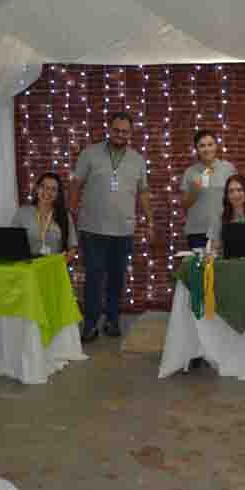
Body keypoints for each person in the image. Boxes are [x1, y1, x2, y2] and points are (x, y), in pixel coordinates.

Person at [70, 111, 154, 342]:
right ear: (109, 129)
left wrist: (150, 220)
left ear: (131, 133)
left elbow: (143, 192)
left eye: (125, 131)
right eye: (116, 130)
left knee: (117, 279)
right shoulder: (89, 153)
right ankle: (90, 324)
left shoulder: (138, 160)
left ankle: (112, 321)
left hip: (123, 230)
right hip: (92, 229)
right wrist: (71, 215)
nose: (120, 134)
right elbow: (75, 184)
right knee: (93, 278)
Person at [180, 129, 236, 251]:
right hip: (197, 232)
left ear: (216, 146)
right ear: (196, 149)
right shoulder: (190, 172)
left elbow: (235, 197)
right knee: (201, 264)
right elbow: (184, 205)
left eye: (210, 144)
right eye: (202, 146)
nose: (207, 149)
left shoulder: (228, 168)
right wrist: (195, 191)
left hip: (223, 229)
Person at [11, 172, 78, 259]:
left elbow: (72, 247)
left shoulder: (65, 215)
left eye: (53, 189)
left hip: (53, 264)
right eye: (44, 187)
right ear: (37, 189)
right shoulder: (22, 213)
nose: (48, 192)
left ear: (58, 194)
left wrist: (61, 263)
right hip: (28, 265)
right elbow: (12, 242)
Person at [207, 174, 245, 255]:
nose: (235, 194)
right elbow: (213, 248)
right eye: (231, 191)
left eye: (239, 190)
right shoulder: (219, 219)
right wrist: (217, 247)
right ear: (227, 196)